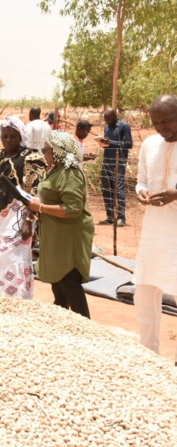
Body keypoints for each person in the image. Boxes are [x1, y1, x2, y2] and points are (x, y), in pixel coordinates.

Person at [0, 116, 47, 299]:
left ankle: (13, 302)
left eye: (12, 136)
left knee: (12, 261)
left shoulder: (32, 158)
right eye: (5, 136)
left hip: (16, 220)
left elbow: (35, 194)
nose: (8, 140)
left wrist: (29, 222)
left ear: (20, 136)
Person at [28, 131, 94, 318]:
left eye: (46, 149)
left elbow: (73, 209)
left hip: (69, 235)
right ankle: (62, 321)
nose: (43, 152)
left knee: (68, 280)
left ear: (57, 151)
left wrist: (40, 207)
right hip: (56, 234)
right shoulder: (56, 169)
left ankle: (85, 326)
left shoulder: (70, 174)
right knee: (58, 281)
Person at [133, 94, 177, 357]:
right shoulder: (149, 144)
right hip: (154, 229)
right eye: (156, 123)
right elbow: (141, 180)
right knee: (145, 289)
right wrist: (141, 192)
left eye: (167, 122)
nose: (161, 128)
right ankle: (148, 354)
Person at [99, 108, 133, 226]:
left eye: (109, 119)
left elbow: (129, 144)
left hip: (119, 161)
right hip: (106, 160)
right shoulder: (106, 127)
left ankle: (121, 218)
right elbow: (107, 143)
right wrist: (102, 142)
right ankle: (110, 216)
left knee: (118, 190)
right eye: (105, 119)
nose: (107, 121)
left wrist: (112, 142)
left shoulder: (124, 126)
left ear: (115, 117)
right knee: (106, 189)